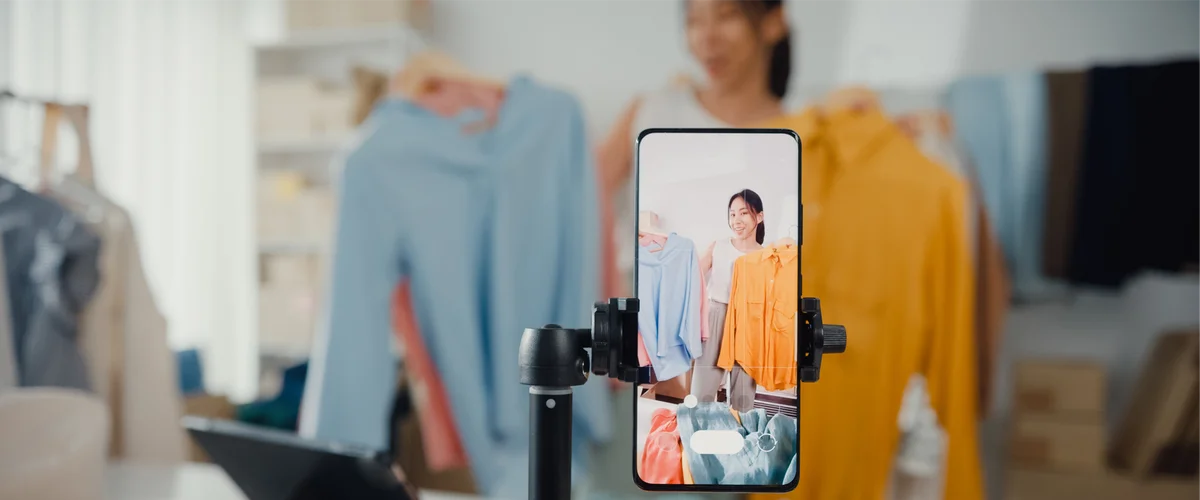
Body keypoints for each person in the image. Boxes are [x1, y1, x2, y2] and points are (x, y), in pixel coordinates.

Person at [596, 0, 792, 295]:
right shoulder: (653, 111)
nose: (707, 37)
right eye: (695, 21)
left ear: (773, 22)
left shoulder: (801, 135)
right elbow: (580, 194)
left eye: (727, 16)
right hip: (637, 315)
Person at [691, 189, 765, 407]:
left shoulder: (765, 256)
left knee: (743, 399)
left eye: (743, 213)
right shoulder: (718, 247)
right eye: (732, 214)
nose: (736, 220)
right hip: (716, 317)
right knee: (701, 395)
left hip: (748, 323)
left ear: (759, 217)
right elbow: (691, 278)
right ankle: (698, 437)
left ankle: (740, 438)